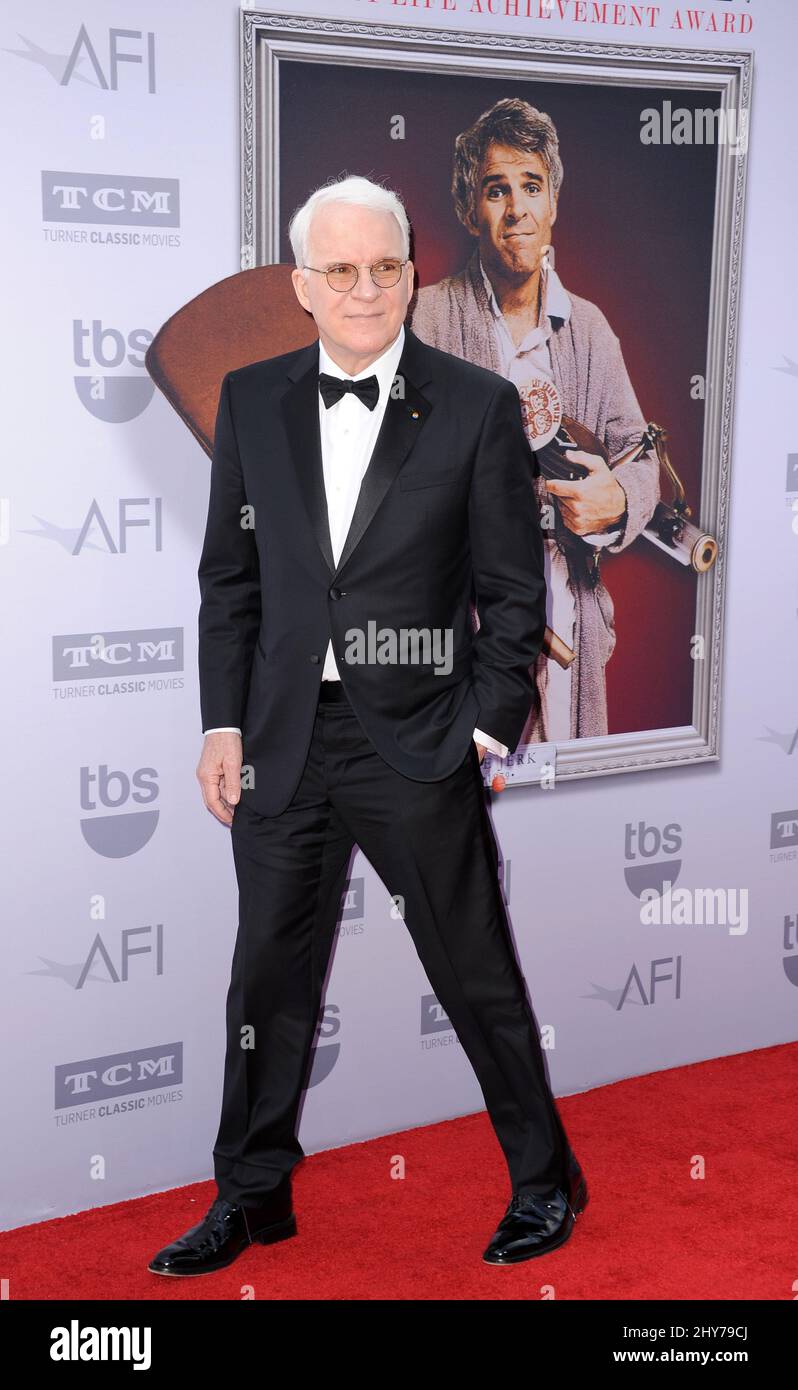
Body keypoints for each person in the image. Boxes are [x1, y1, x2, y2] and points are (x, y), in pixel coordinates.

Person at [148, 174, 587, 1277]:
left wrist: (484, 731)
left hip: (419, 740)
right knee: (266, 983)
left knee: (476, 971)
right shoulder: (252, 399)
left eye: (384, 267)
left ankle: (545, 1180)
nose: (363, 288)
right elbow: (229, 584)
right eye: (338, 269)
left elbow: (514, 597)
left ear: (411, 274)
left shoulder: (477, 406)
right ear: (302, 285)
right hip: (285, 739)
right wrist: (220, 727)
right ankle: (251, 1194)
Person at [411, 97, 660, 742]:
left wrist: (618, 501)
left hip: (569, 608)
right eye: (497, 190)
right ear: (471, 210)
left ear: (553, 204)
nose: (517, 209)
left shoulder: (591, 331)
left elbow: (641, 453)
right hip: (464, 620)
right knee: (472, 809)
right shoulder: (427, 320)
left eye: (532, 187)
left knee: (565, 804)